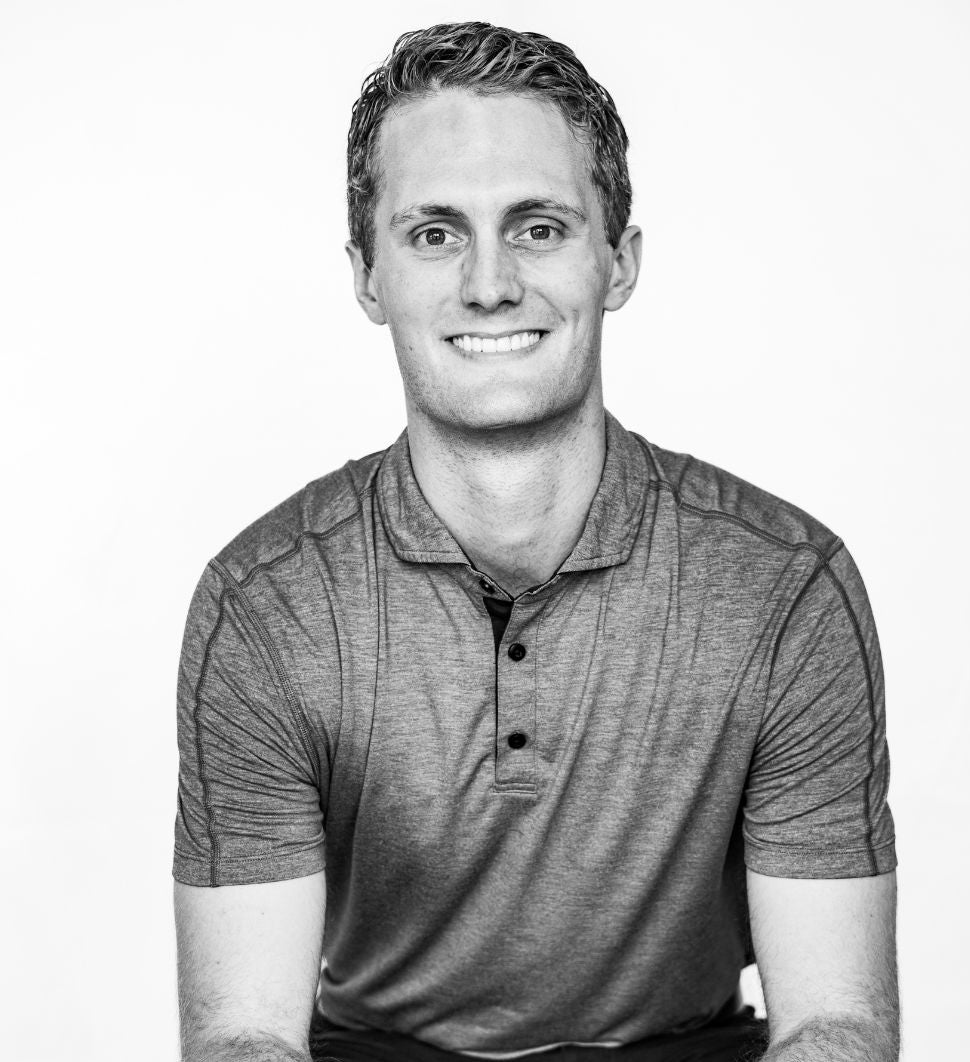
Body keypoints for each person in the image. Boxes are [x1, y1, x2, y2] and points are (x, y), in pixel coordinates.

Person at [173, 22, 898, 1062]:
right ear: (368, 276)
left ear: (619, 261)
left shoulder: (786, 588)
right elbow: (245, 1034)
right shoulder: (264, 606)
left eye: (539, 227)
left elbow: (836, 1022)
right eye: (435, 234)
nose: (489, 283)